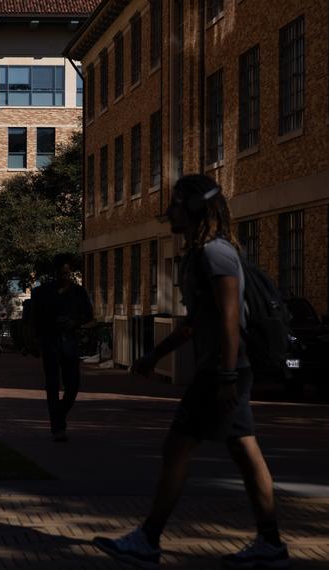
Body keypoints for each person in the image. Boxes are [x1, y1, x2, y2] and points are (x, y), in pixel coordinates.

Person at [93, 174, 289, 569]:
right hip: (223, 369)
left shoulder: (214, 254)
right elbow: (198, 321)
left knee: (179, 448)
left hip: (220, 371)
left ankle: (148, 539)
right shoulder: (203, 253)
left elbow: (231, 317)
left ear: (196, 208)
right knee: (243, 450)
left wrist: (227, 376)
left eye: (177, 203)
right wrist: (154, 355)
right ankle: (270, 542)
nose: (171, 211)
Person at [30, 260, 93, 442]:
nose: (64, 277)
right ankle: (58, 427)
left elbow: (89, 314)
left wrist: (74, 322)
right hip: (49, 341)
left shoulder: (78, 292)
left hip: (70, 341)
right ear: (54, 274)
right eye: (60, 273)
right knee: (52, 385)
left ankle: (59, 414)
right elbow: (34, 318)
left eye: (67, 273)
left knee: (73, 385)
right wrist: (33, 341)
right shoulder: (42, 292)